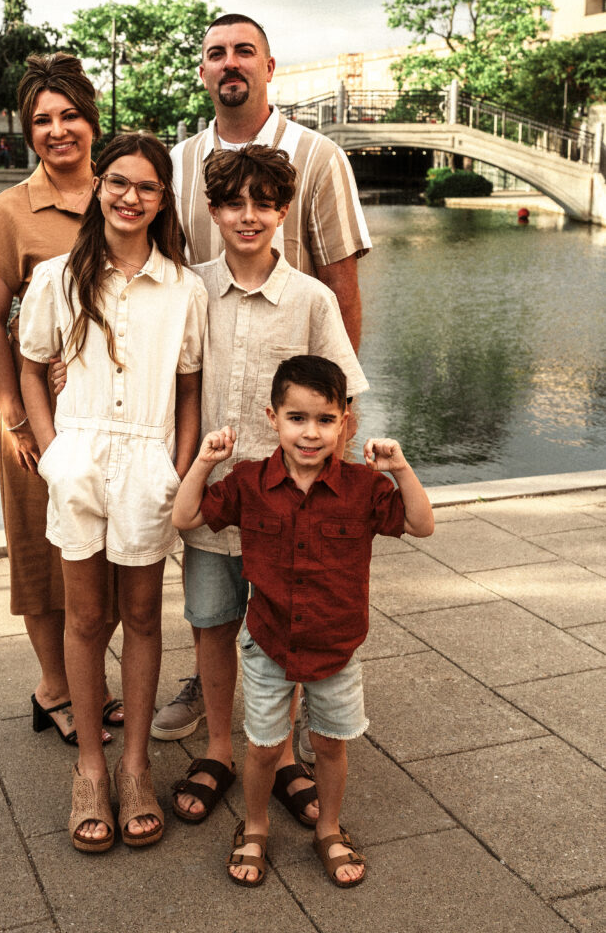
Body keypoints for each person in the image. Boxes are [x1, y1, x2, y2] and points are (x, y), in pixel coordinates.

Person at [155, 11, 372, 745]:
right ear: (203, 71)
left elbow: (340, 286)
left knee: (295, 596)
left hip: (295, 421)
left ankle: (286, 732)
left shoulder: (317, 157)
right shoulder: (182, 163)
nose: (230, 63)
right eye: (215, 53)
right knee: (212, 605)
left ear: (270, 66)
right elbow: (163, 292)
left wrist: (337, 427)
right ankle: (223, 718)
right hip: (218, 434)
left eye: (244, 50)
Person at [173, 355, 434, 887]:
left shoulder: (363, 487)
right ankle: (254, 826)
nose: (310, 433)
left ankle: (329, 829)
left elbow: (421, 524)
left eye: (324, 419)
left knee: (331, 744)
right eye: (296, 418)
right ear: (272, 417)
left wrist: (401, 468)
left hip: (336, 646)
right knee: (265, 746)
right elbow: (185, 517)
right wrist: (204, 462)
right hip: (269, 640)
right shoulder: (249, 481)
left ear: (344, 420)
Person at [168, 146, 368, 829]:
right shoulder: (188, 288)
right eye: (232, 202)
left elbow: (343, 399)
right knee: (213, 622)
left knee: (280, 626)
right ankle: (222, 746)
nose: (247, 216)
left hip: (286, 512)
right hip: (214, 497)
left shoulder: (311, 298)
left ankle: (279, 755)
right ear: (212, 210)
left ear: (283, 210)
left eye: (263, 203)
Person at [19, 133, 207, 853]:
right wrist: (54, 452)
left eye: (147, 188)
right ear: (100, 188)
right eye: (119, 183)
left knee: (144, 617)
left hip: (148, 463)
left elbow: (188, 388)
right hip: (80, 457)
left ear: (164, 201)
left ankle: (136, 769)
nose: (131, 197)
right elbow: (33, 364)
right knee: (87, 617)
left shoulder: (182, 288)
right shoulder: (60, 277)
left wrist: (178, 465)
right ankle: (91, 771)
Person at [0, 52, 123, 751]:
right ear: (29, 133)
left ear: (91, 119)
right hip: (38, 419)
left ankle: (90, 681)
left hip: (115, 414)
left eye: (69, 116)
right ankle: (55, 687)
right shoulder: (11, 212)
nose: (58, 131)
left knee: (111, 551)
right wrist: (16, 417)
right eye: (41, 121)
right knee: (41, 556)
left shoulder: (125, 193)